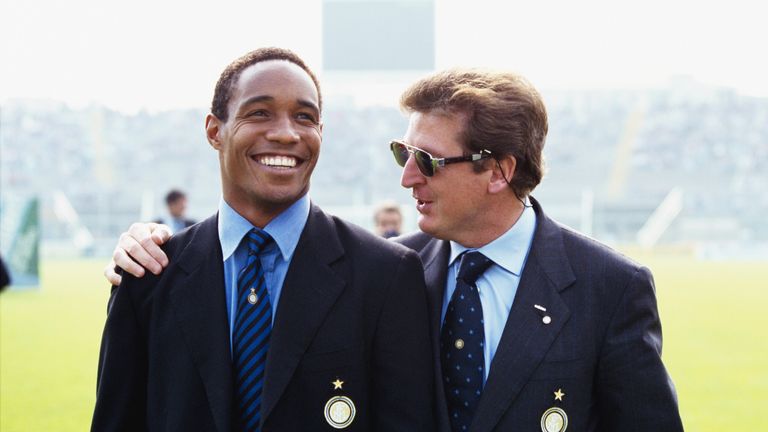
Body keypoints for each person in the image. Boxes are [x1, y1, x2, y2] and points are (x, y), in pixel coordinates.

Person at [105, 68, 683, 431]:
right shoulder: (394, 271)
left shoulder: (609, 287)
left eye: (426, 161)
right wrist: (150, 247)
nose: (407, 178)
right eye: (400, 155)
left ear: (499, 171)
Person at [92, 47, 434, 432]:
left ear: (320, 133)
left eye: (304, 117)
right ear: (214, 131)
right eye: (259, 113)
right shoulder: (148, 274)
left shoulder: (386, 275)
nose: (286, 133)